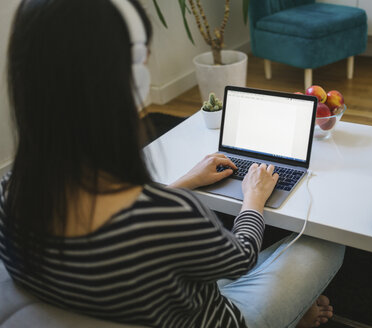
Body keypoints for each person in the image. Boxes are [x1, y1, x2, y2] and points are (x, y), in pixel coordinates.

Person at [0, 0, 345, 327]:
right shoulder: (170, 216)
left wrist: (185, 181)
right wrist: (253, 200)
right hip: (223, 318)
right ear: (129, 81)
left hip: (133, 301)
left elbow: (124, 225)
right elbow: (241, 258)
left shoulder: (9, 194)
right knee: (326, 243)